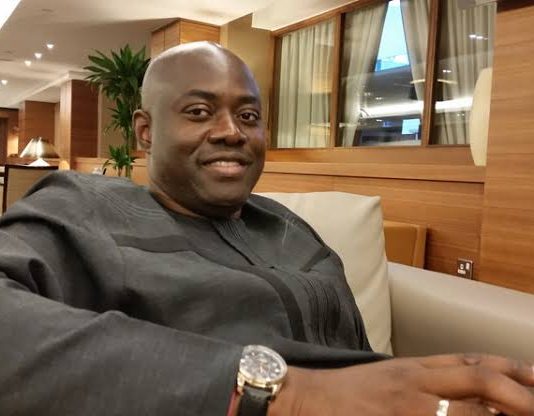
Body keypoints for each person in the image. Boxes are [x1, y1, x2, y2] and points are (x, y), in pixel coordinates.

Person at [0, 42, 532, 416]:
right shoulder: (85, 207)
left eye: (249, 116)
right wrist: (286, 396)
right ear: (145, 131)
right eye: (199, 111)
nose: (231, 132)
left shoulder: (290, 228)